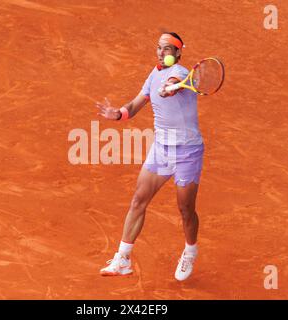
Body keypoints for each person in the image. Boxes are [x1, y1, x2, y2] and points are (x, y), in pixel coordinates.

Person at [96, 32, 204, 281]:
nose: (161, 52)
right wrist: (118, 114)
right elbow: (136, 104)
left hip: (188, 152)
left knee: (186, 209)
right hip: (162, 150)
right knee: (138, 200)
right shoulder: (154, 75)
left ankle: (190, 250)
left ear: (178, 53)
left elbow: (174, 84)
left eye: (167, 49)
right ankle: (122, 259)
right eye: (159, 48)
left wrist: (171, 88)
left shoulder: (183, 73)